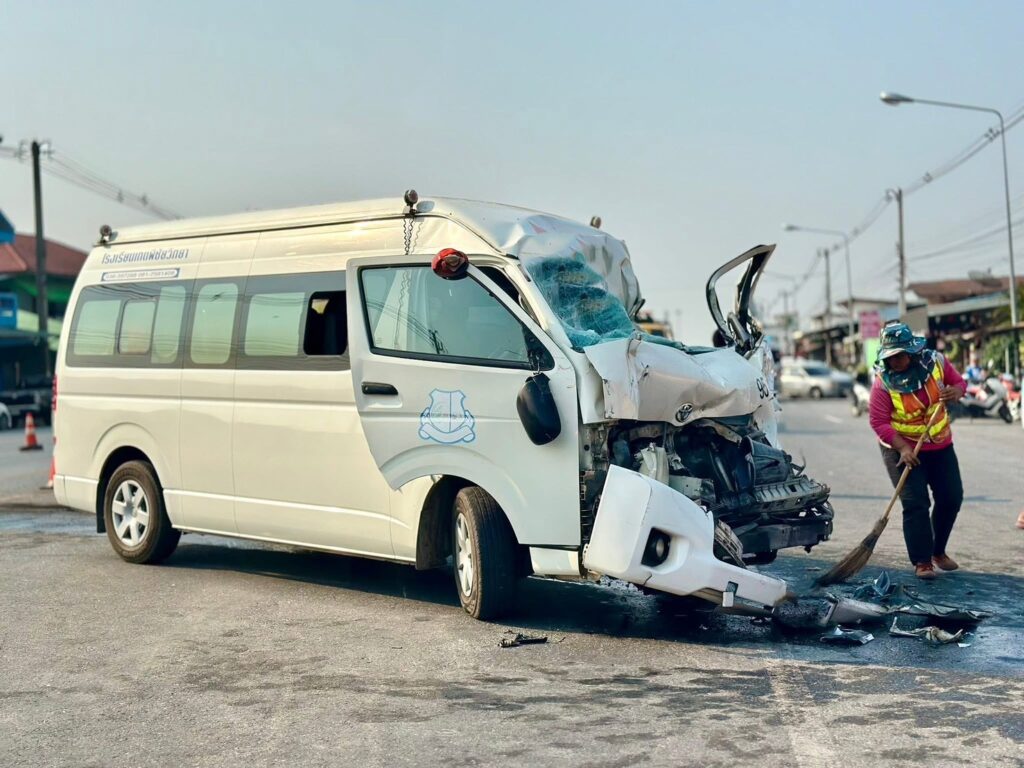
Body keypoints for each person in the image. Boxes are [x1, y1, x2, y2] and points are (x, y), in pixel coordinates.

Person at [868, 322, 968, 580]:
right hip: (901, 449)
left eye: (900, 355)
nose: (895, 361)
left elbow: (959, 383)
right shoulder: (882, 383)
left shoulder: (936, 363)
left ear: (911, 352)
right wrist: (903, 447)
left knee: (951, 497)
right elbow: (878, 421)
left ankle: (938, 551)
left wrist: (956, 391)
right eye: (890, 357)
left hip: (940, 444)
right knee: (916, 504)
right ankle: (922, 561)